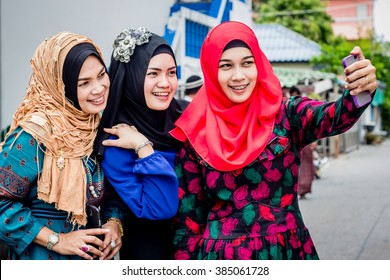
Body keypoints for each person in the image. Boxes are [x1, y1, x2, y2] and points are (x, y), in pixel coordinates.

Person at [169, 21, 378, 260]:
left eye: (248, 63)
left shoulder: (286, 114)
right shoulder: (194, 133)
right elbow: (187, 223)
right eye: (226, 66)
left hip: (287, 252)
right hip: (223, 259)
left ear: (259, 63)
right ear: (210, 70)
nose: (239, 76)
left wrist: (360, 89)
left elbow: (335, 116)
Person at [0, 32, 124, 260]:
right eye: (84, 83)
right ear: (61, 86)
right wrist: (57, 240)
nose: (98, 88)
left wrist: (114, 223)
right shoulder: (34, 135)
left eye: (101, 75)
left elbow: (114, 191)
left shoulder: (101, 124)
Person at [94, 27, 188, 259]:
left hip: (201, 243)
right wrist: (143, 147)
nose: (165, 83)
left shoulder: (186, 115)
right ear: (132, 76)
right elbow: (160, 208)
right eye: (153, 73)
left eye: (172, 72)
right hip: (152, 251)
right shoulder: (117, 141)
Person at [288, 86, 317, 199]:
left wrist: (314, 141)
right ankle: (297, 191)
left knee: (307, 167)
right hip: (292, 144)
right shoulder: (285, 109)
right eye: (292, 94)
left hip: (306, 143)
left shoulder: (303, 109)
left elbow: (313, 125)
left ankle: (304, 189)